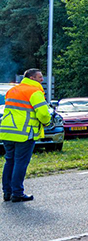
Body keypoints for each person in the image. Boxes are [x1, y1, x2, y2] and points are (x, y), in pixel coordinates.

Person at [0, 69, 51, 203]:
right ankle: (17, 193)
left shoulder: (12, 90)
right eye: (40, 77)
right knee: (20, 163)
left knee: (9, 161)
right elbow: (44, 114)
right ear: (32, 78)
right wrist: (47, 123)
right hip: (24, 133)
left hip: (7, 131)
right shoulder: (35, 91)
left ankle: (7, 192)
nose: (42, 79)